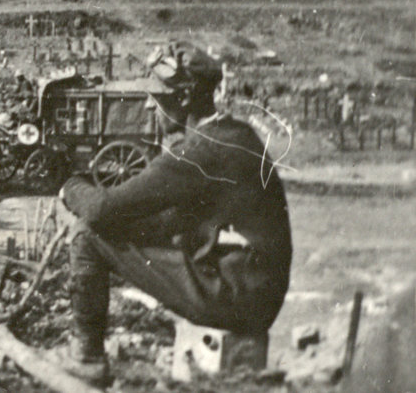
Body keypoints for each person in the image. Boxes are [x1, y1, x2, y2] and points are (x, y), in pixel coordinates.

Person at [55, 41, 293, 383]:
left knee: (89, 236)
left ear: (183, 99)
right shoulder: (233, 134)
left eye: (158, 99)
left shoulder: (199, 151)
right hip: (254, 293)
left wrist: (69, 186)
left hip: (235, 297)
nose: (151, 108)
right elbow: (170, 220)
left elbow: (99, 210)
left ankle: (89, 359)